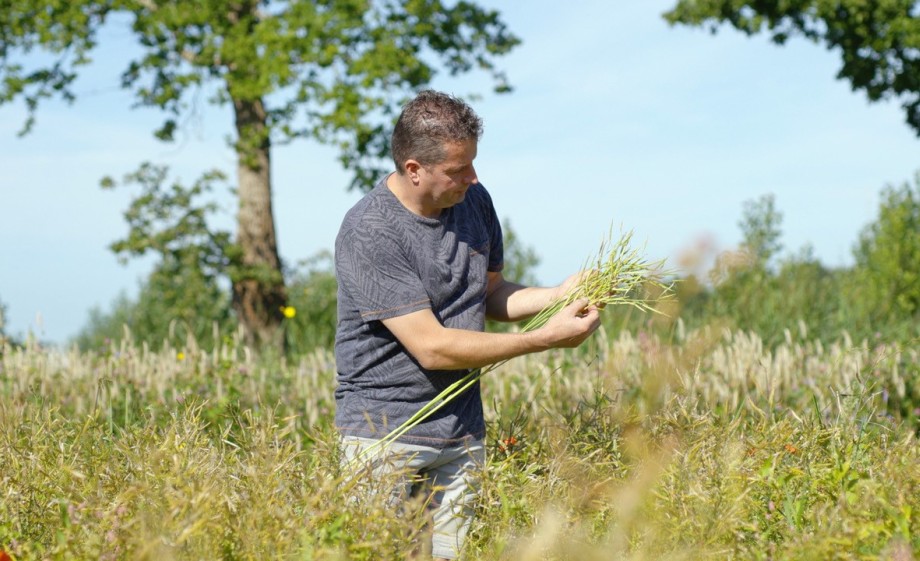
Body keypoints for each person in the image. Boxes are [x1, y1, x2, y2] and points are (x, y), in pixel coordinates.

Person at [334, 89, 602, 560]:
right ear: (414, 169)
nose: (473, 178)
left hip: (461, 435)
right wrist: (541, 340)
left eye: (473, 164)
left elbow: (491, 292)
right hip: (384, 439)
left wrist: (560, 294)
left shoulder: (475, 202)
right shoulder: (369, 230)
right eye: (459, 170)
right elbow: (433, 348)